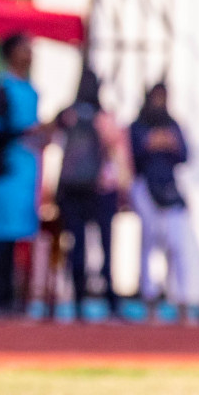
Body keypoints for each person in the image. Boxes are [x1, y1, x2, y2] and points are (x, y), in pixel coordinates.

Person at [54, 68, 130, 319]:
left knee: (76, 245)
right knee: (106, 245)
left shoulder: (69, 116)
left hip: (71, 189)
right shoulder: (104, 118)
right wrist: (123, 188)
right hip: (101, 190)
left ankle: (76, 302)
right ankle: (111, 302)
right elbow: (118, 154)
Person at [0, 32, 50, 315]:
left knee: (20, 236)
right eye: (24, 48)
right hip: (8, 170)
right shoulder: (3, 88)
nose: (30, 53)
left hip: (28, 171)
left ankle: (13, 297)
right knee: (0, 234)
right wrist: (25, 133)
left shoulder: (31, 89)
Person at [129, 82, 191, 321]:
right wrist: (156, 142)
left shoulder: (173, 124)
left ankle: (181, 298)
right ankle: (150, 297)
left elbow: (184, 154)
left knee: (176, 243)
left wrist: (162, 142)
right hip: (146, 187)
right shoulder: (138, 125)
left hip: (170, 188)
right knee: (150, 242)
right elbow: (136, 152)